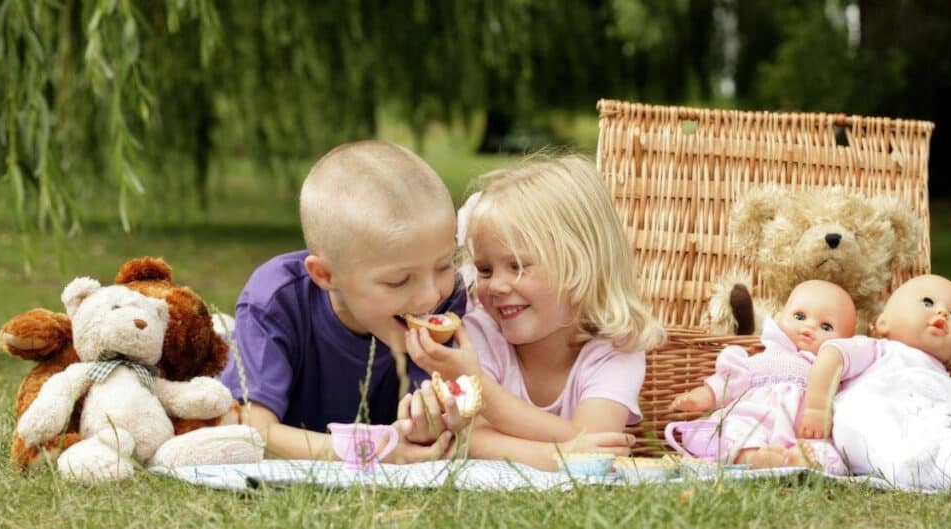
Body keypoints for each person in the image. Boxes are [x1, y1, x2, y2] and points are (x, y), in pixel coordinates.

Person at [406, 155, 666, 470]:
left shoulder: (615, 351)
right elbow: (465, 437)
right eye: (485, 269)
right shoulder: (481, 333)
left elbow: (595, 450)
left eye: (516, 266)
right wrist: (559, 454)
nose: (496, 286)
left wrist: (479, 389)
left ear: (580, 265)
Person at [218, 140, 469, 462]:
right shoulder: (275, 301)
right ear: (325, 275)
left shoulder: (448, 302)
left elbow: (435, 425)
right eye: (399, 280)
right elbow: (252, 431)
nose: (430, 295)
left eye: (444, 265)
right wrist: (372, 451)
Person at [799, 274, 951, 488]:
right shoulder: (878, 350)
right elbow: (832, 355)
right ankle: (905, 464)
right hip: (870, 419)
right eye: (928, 303)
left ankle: (949, 467)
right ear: (884, 323)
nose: (943, 313)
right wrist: (818, 408)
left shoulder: (948, 382)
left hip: (921, 434)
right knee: (871, 415)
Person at [668, 280, 855, 471]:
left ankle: (801, 460)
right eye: (799, 316)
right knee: (730, 430)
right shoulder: (762, 359)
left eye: (826, 327)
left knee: (832, 453)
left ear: (847, 342)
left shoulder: (834, 372)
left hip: (803, 436)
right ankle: (755, 457)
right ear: (780, 317)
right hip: (754, 422)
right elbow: (727, 384)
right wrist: (701, 397)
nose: (808, 328)